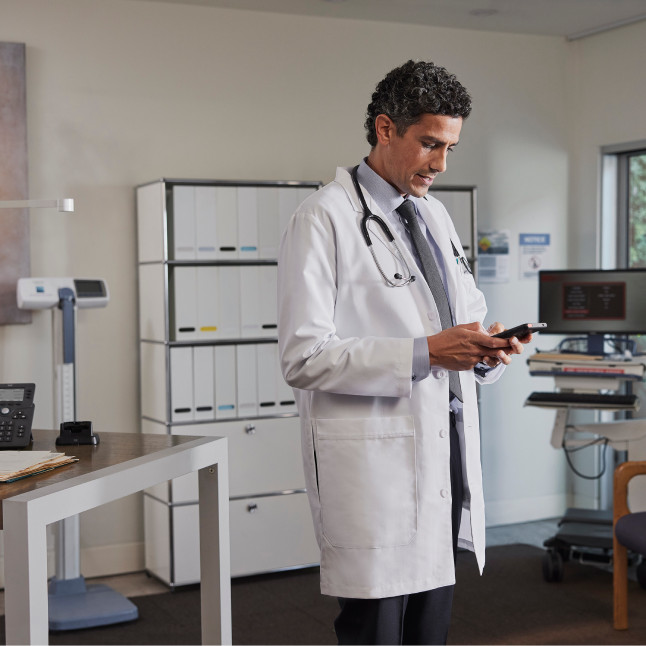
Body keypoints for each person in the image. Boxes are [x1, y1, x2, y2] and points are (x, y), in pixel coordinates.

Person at [277, 60, 531, 645]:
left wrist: (486, 350)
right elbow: (303, 357)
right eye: (429, 144)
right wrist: (427, 354)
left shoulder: (436, 216)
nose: (440, 164)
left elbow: (457, 324)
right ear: (386, 129)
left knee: (429, 630)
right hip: (375, 470)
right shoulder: (322, 219)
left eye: (450, 148)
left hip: (443, 456)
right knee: (377, 631)